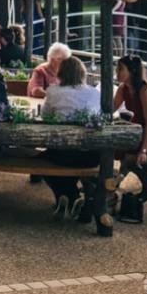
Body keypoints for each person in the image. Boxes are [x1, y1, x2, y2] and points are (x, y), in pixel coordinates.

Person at [41, 57, 102, 219]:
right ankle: (73, 197)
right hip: (90, 155)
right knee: (60, 158)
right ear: (82, 72)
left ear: (61, 73)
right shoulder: (94, 93)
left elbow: (45, 116)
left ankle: (67, 194)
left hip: (62, 154)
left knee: (44, 160)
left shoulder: (53, 92)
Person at [112, 55, 147, 222]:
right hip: (135, 131)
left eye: (120, 69)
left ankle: (114, 185)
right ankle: (114, 184)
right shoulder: (123, 88)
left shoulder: (144, 90)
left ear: (131, 71)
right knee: (112, 147)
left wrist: (144, 150)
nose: (117, 72)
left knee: (125, 153)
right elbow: (111, 108)